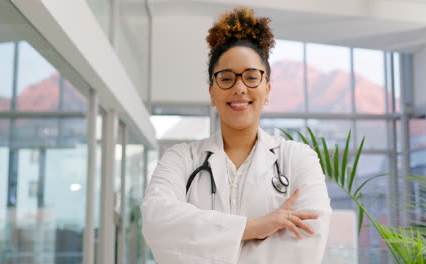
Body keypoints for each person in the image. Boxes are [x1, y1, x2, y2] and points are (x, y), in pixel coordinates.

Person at [141, 7, 332, 264]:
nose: (240, 88)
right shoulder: (181, 159)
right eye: (227, 78)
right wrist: (252, 228)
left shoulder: (298, 159)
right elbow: (156, 222)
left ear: (267, 89)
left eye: (252, 77)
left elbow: (305, 248)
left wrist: (208, 241)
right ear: (212, 92)